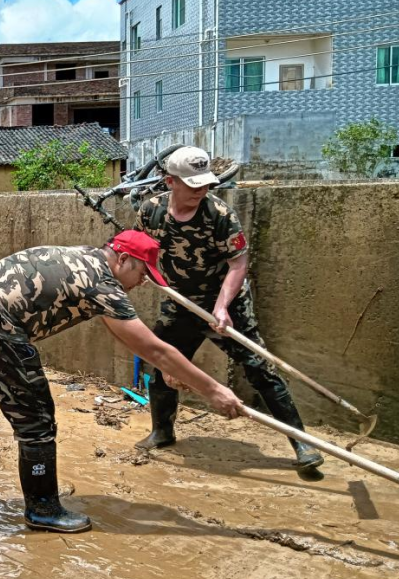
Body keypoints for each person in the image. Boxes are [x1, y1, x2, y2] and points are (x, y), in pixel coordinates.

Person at [0, 230, 243, 534]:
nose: (143, 283)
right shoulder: (103, 283)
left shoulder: (85, 261)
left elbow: (134, 341)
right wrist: (213, 390)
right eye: (142, 272)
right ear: (122, 259)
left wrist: (166, 366)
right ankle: (42, 508)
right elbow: (156, 349)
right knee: (36, 419)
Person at [134, 147, 324, 471]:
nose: (201, 190)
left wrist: (222, 307)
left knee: (260, 369)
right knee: (162, 366)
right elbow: (142, 248)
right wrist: (141, 270)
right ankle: (162, 431)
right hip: (180, 302)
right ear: (170, 182)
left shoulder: (219, 214)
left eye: (205, 183)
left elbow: (238, 264)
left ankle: (301, 442)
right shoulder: (150, 212)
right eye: (192, 184)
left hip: (225, 301)